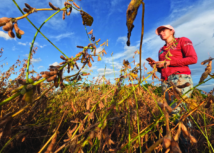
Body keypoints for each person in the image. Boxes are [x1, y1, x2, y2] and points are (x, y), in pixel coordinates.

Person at [149, 25, 198, 152]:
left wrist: (168, 62)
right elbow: (163, 69)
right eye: (159, 32)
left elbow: (193, 59)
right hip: (166, 82)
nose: (161, 33)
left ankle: (187, 146)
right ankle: (177, 145)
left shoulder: (182, 41)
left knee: (182, 113)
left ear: (172, 31)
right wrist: (156, 66)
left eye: (163, 30)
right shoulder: (161, 50)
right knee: (172, 114)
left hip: (181, 78)